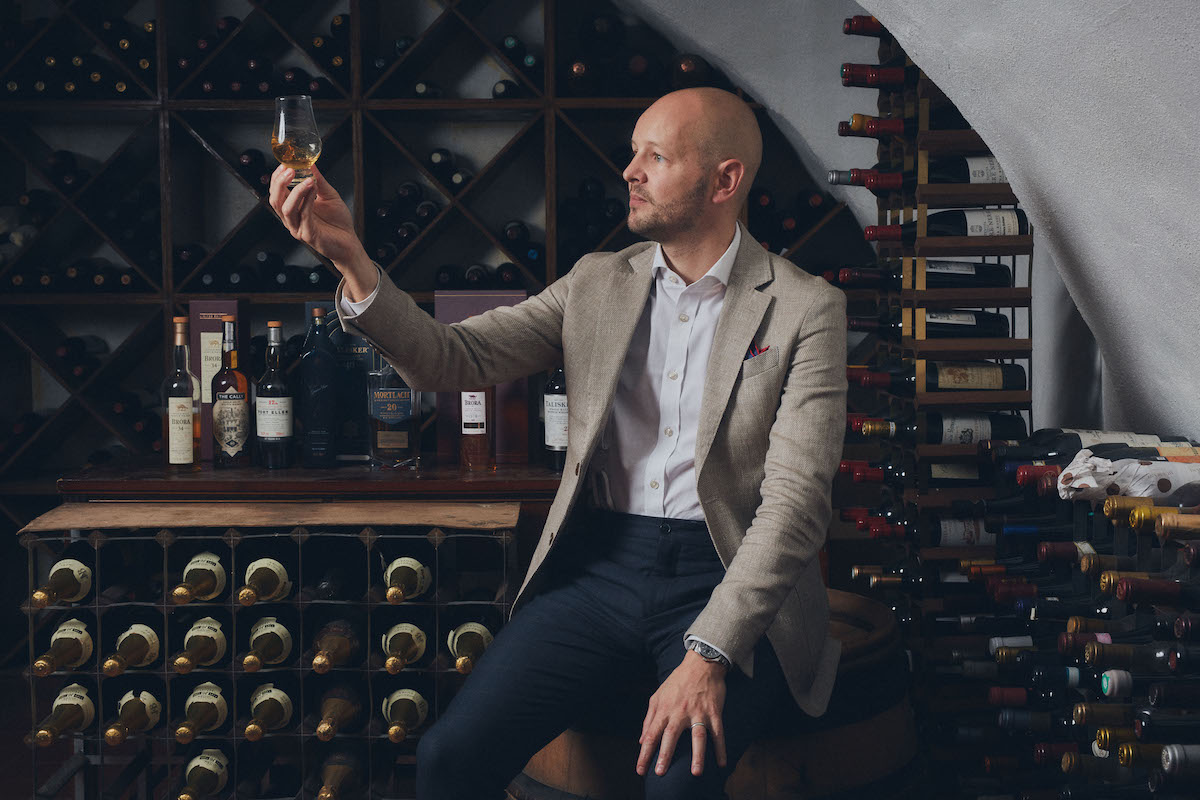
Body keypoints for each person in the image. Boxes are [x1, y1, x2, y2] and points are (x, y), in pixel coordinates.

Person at [269, 86, 847, 799]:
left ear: (725, 180)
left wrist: (708, 653)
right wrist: (351, 259)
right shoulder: (597, 283)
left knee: (676, 789)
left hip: (725, 569)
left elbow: (795, 505)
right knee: (448, 756)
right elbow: (451, 358)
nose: (630, 170)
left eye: (656, 156)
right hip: (600, 567)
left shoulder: (804, 307)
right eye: (633, 151)